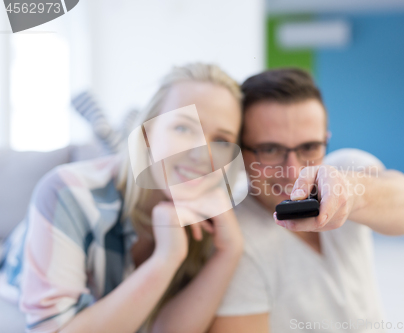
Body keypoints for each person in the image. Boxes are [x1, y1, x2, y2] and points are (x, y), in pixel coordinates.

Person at [0, 63, 245, 333]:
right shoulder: (67, 191)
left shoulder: (216, 217)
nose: (202, 155)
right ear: (147, 134)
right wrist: (166, 258)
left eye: (222, 141)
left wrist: (228, 253)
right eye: (184, 129)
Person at [208, 68, 404, 333]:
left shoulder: (344, 171)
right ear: (240, 152)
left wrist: (353, 193)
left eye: (309, 148)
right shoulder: (233, 237)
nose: (293, 172)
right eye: (270, 150)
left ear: (326, 141)